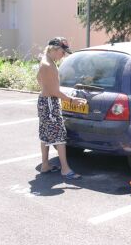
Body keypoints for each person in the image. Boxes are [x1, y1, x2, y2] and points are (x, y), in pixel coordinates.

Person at [36, 37, 87, 179]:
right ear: (54, 49)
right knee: (59, 135)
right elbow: (54, 92)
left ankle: (45, 165)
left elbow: (39, 80)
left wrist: (47, 89)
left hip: (44, 101)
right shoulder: (48, 65)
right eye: (62, 52)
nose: (63, 55)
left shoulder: (45, 61)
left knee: (45, 134)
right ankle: (65, 169)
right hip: (50, 103)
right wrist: (72, 100)